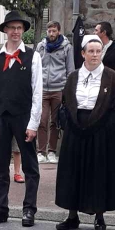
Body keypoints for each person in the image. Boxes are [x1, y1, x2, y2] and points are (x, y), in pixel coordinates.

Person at [54, 36, 115, 230]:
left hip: (102, 130)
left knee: (99, 172)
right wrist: (77, 122)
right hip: (76, 128)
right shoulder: (73, 77)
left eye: (98, 51)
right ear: (83, 53)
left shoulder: (112, 77)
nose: (95, 55)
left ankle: (99, 216)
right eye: (91, 51)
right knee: (73, 170)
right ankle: (72, 216)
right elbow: (67, 102)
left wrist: (104, 123)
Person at [0, 10, 43, 227]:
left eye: (19, 28)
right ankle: (1, 209)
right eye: (12, 28)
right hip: (0, 116)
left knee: (30, 165)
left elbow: (37, 92)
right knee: (0, 165)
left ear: (23, 31)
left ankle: (29, 209)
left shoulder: (32, 56)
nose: (15, 32)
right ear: (6, 30)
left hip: (24, 116)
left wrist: (33, 123)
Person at [38, 20, 75, 164]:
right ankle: (41, 151)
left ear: (58, 31)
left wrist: (67, 89)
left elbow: (70, 69)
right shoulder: (41, 47)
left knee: (55, 121)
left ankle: (52, 151)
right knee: (42, 120)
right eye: (49, 31)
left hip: (58, 88)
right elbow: (35, 67)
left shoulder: (66, 47)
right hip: (43, 89)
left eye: (54, 31)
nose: (51, 33)